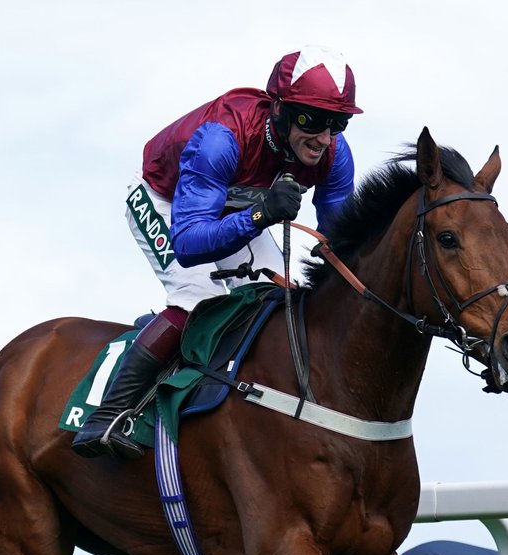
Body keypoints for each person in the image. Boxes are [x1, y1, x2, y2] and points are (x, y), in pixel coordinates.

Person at [72, 45, 362, 459]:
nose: (323, 137)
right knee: (199, 298)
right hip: (168, 200)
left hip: (235, 204)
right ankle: (108, 415)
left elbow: (341, 242)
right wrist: (262, 212)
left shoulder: (334, 155)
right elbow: (189, 244)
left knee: (280, 300)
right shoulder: (219, 139)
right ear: (278, 109)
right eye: (311, 119)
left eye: (338, 123)